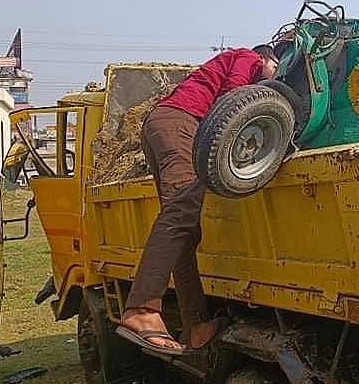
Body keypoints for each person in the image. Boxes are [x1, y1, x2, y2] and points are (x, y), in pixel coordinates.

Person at [116, 45, 279, 354]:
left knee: (185, 230)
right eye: (276, 66)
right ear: (266, 58)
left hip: (167, 124)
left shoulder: (234, 64)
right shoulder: (249, 57)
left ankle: (196, 326)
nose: (275, 73)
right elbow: (234, 99)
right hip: (181, 122)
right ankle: (141, 309)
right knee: (182, 208)